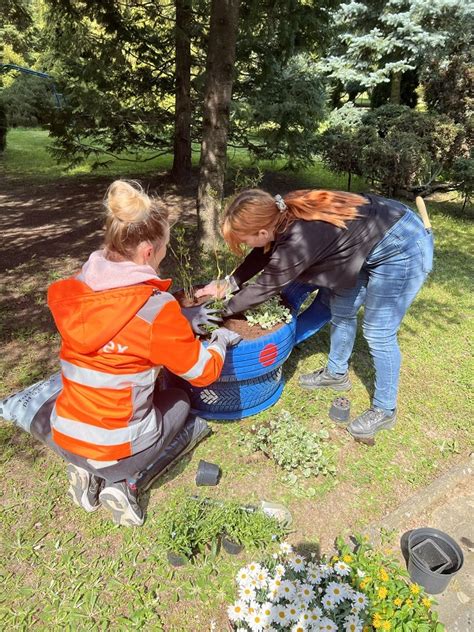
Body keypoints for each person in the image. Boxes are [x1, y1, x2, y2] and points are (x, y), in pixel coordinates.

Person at [46, 180, 240, 526]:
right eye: (164, 247)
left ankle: (84, 469)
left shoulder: (77, 290)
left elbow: (122, 322)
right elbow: (204, 372)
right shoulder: (156, 310)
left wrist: (179, 315)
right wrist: (219, 341)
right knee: (179, 399)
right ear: (148, 251)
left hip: (65, 434)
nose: (164, 254)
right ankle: (127, 482)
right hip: (114, 447)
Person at [197, 188, 434, 442]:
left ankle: (385, 409)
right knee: (342, 312)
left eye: (244, 241)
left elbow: (266, 286)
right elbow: (262, 253)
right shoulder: (279, 212)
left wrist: (217, 314)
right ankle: (336, 374)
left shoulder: (299, 235)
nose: (244, 246)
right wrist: (230, 283)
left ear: (263, 231)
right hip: (366, 242)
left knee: (378, 332)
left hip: (401, 245)